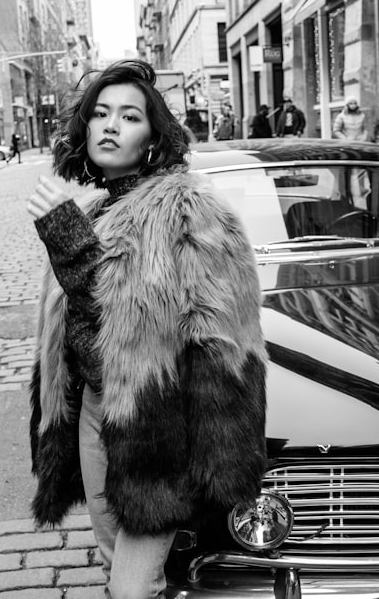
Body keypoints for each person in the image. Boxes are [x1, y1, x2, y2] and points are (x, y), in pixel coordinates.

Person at [25, 59, 267, 598]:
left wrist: (220, 457)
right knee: (114, 563)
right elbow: (75, 334)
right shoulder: (90, 208)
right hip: (94, 411)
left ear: (153, 137)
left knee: (133, 587)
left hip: (160, 426)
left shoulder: (190, 211)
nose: (110, 126)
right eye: (101, 113)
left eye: (130, 116)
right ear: (83, 127)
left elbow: (222, 344)